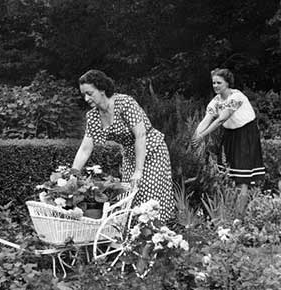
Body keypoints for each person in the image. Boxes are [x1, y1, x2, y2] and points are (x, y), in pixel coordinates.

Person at [72, 69, 175, 222]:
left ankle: (158, 235)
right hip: (129, 155)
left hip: (152, 150)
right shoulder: (93, 116)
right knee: (129, 197)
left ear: (102, 89)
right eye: (84, 95)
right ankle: (135, 239)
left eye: (90, 93)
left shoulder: (124, 103)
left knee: (149, 194)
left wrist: (138, 171)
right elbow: (85, 149)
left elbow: (140, 135)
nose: (86, 98)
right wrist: (73, 175)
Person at [191, 68, 265, 214]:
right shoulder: (216, 101)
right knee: (227, 173)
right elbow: (206, 120)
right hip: (230, 134)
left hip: (246, 134)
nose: (216, 86)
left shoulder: (237, 97)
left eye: (219, 83)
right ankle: (229, 211)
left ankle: (239, 216)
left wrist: (203, 135)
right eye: (214, 83)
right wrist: (195, 137)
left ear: (227, 83)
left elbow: (221, 119)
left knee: (243, 175)